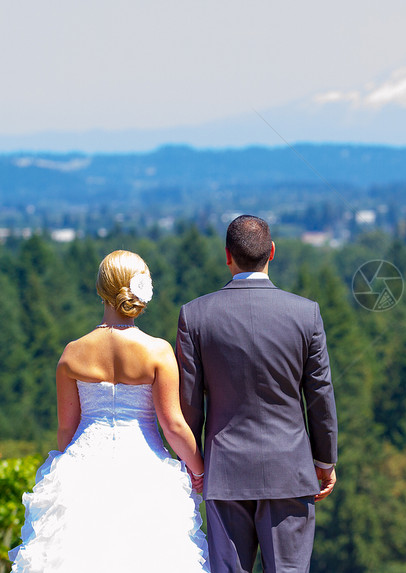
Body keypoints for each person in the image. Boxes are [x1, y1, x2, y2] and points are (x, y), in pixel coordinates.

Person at [9, 250, 209, 572]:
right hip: (146, 470)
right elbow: (172, 424)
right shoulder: (158, 351)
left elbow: (66, 430)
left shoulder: (73, 353)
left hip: (82, 466)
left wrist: (65, 469)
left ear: (101, 289)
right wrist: (198, 470)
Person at [176, 214, 338, 573]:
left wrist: (195, 465)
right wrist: (324, 461)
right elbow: (320, 395)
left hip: (225, 472)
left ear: (227, 255)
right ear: (273, 252)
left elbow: (189, 403)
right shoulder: (305, 314)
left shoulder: (195, 315)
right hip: (289, 470)